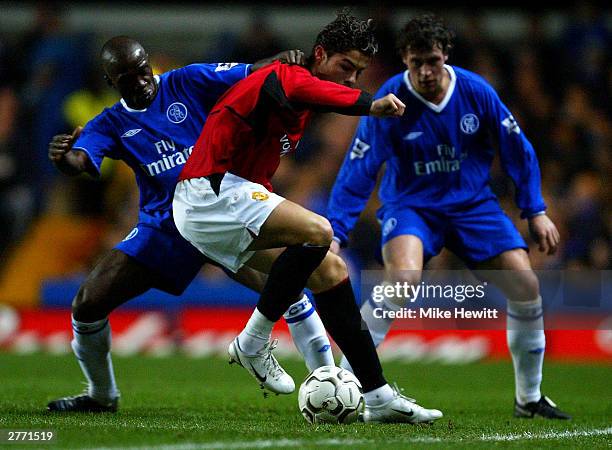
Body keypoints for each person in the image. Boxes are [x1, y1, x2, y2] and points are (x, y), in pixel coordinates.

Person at [174, 10, 443, 424]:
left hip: (223, 205)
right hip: (209, 192)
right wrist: (372, 104)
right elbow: (316, 92)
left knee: (330, 269)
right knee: (320, 230)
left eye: (358, 72)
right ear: (320, 54)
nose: (351, 79)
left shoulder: (297, 101)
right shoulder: (286, 74)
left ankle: (378, 394)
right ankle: (253, 340)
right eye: (345, 67)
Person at [46, 36, 335, 412]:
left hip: (218, 214)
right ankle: (102, 395)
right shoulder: (111, 122)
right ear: (111, 82)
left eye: (142, 68)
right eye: (128, 76)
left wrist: (283, 59)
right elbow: (83, 161)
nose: (141, 79)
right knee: (87, 304)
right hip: (164, 228)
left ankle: (330, 381)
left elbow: (251, 72)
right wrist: (63, 159)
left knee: (287, 285)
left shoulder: (186, 81)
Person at [326, 13, 571, 420]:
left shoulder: (476, 92)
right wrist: (336, 230)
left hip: (472, 206)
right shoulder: (391, 98)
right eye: (416, 62)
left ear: (446, 57)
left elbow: (519, 150)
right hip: (411, 206)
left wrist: (536, 210)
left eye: (433, 61)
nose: (425, 71)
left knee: (526, 283)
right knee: (401, 279)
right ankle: (347, 383)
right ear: (405, 59)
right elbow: (360, 167)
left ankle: (529, 398)